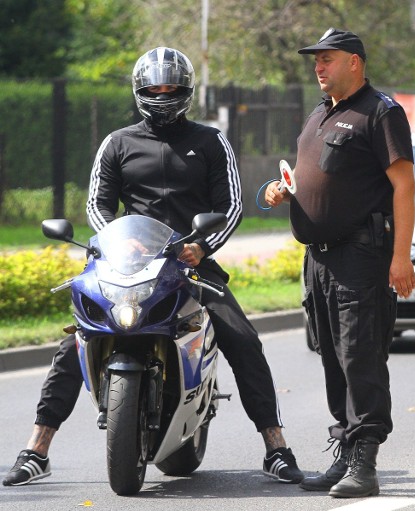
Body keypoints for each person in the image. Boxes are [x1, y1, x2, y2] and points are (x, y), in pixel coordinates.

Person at [3, 47, 303, 487]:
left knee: (244, 340)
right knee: (78, 342)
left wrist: (202, 246)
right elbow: (96, 206)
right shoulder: (117, 143)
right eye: (154, 88)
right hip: (127, 266)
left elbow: (231, 205)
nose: (163, 94)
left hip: (192, 267)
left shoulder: (210, 141)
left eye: (172, 88)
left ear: (187, 92)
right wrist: (119, 245)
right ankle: (37, 448)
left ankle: (276, 447)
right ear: (139, 91)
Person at [265, 28, 415, 498]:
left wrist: (400, 256)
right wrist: (280, 190)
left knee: (360, 357)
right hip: (320, 260)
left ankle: (365, 463)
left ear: (354, 61)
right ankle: (346, 453)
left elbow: (404, 188)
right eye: (316, 61)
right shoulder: (319, 114)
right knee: (332, 356)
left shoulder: (381, 113)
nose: (318, 67)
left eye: (327, 59)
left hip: (362, 256)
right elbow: (313, 176)